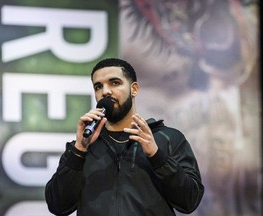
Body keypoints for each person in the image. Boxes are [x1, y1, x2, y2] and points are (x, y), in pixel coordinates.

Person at [45, 58, 204, 216]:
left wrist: (157, 156)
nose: (105, 91)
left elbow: (190, 201)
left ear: (134, 89)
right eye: (98, 86)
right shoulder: (81, 147)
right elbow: (57, 206)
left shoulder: (168, 138)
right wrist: (79, 150)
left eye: (114, 83)